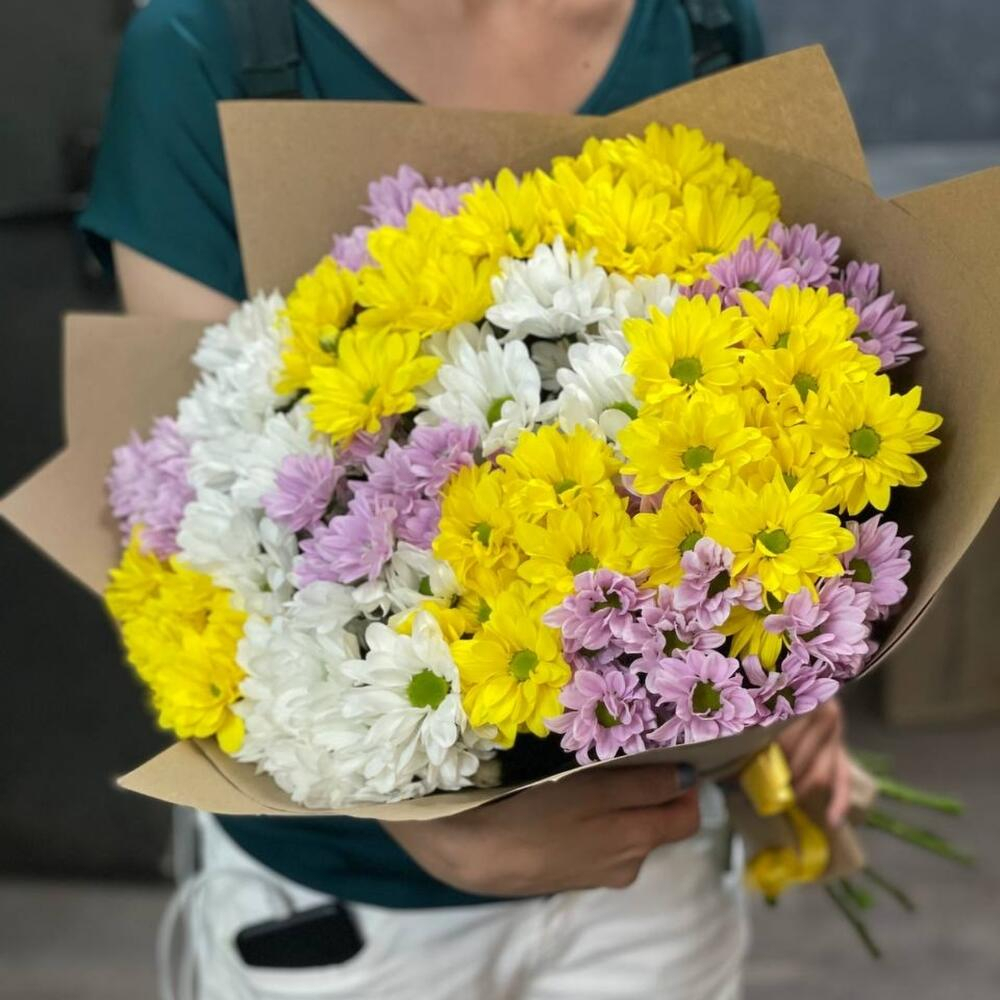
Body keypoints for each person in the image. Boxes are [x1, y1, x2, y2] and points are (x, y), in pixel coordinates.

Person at [81, 2, 852, 997]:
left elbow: (780, 362)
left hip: (650, 864)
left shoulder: (698, 23)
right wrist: (417, 822)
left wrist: (796, 649)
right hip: (354, 903)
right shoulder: (207, 47)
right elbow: (194, 514)